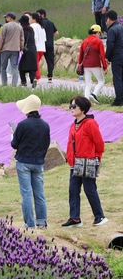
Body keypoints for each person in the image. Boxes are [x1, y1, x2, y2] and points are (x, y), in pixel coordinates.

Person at [62, 96, 108, 227]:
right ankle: (75, 218)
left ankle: (99, 216)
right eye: (70, 106)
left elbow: (99, 143)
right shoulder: (73, 124)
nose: (71, 109)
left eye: (74, 106)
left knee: (90, 189)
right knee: (73, 190)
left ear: (82, 109)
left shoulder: (90, 123)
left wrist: (96, 158)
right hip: (75, 163)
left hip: (87, 162)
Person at [11, 95, 50, 229]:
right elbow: (46, 144)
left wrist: (13, 135)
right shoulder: (45, 125)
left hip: (24, 162)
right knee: (39, 193)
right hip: (38, 162)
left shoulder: (22, 125)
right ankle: (42, 222)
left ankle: (30, 223)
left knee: (26, 193)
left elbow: (14, 144)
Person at [79, 24, 108, 104]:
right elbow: (102, 55)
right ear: (98, 32)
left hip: (86, 65)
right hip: (95, 64)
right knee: (101, 81)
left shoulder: (84, 41)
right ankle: (94, 94)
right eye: (99, 33)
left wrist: (80, 64)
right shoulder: (98, 42)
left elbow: (81, 54)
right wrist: (105, 67)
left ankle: (85, 102)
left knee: (88, 84)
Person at [0, 12, 24, 86]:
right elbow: (22, 39)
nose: (5, 18)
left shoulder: (5, 26)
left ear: (10, 18)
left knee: (3, 67)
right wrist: (21, 48)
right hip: (15, 49)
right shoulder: (19, 26)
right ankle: (14, 84)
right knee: (14, 66)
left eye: (6, 17)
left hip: (5, 49)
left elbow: (1, 38)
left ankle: (4, 83)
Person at [105, 10, 123, 106]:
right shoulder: (121, 28)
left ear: (109, 19)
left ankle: (118, 100)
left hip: (117, 57)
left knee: (117, 78)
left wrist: (107, 57)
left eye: (106, 19)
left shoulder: (112, 30)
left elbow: (110, 45)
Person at [37, 9, 59, 83]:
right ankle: (50, 76)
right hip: (50, 44)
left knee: (37, 60)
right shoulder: (51, 23)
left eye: (38, 14)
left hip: (41, 45)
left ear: (42, 15)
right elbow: (56, 33)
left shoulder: (39, 24)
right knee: (50, 61)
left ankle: (36, 76)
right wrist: (50, 35)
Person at [18, 14, 38, 88]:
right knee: (32, 67)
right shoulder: (31, 30)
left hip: (24, 49)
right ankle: (33, 79)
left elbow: (21, 40)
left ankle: (23, 82)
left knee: (22, 67)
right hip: (32, 49)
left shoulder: (21, 30)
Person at [30, 12, 47, 82]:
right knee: (36, 63)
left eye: (30, 18)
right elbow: (45, 38)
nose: (29, 19)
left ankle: (37, 77)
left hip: (35, 48)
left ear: (34, 19)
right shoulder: (41, 27)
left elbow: (34, 37)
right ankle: (35, 76)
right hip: (42, 48)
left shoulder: (32, 26)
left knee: (35, 64)